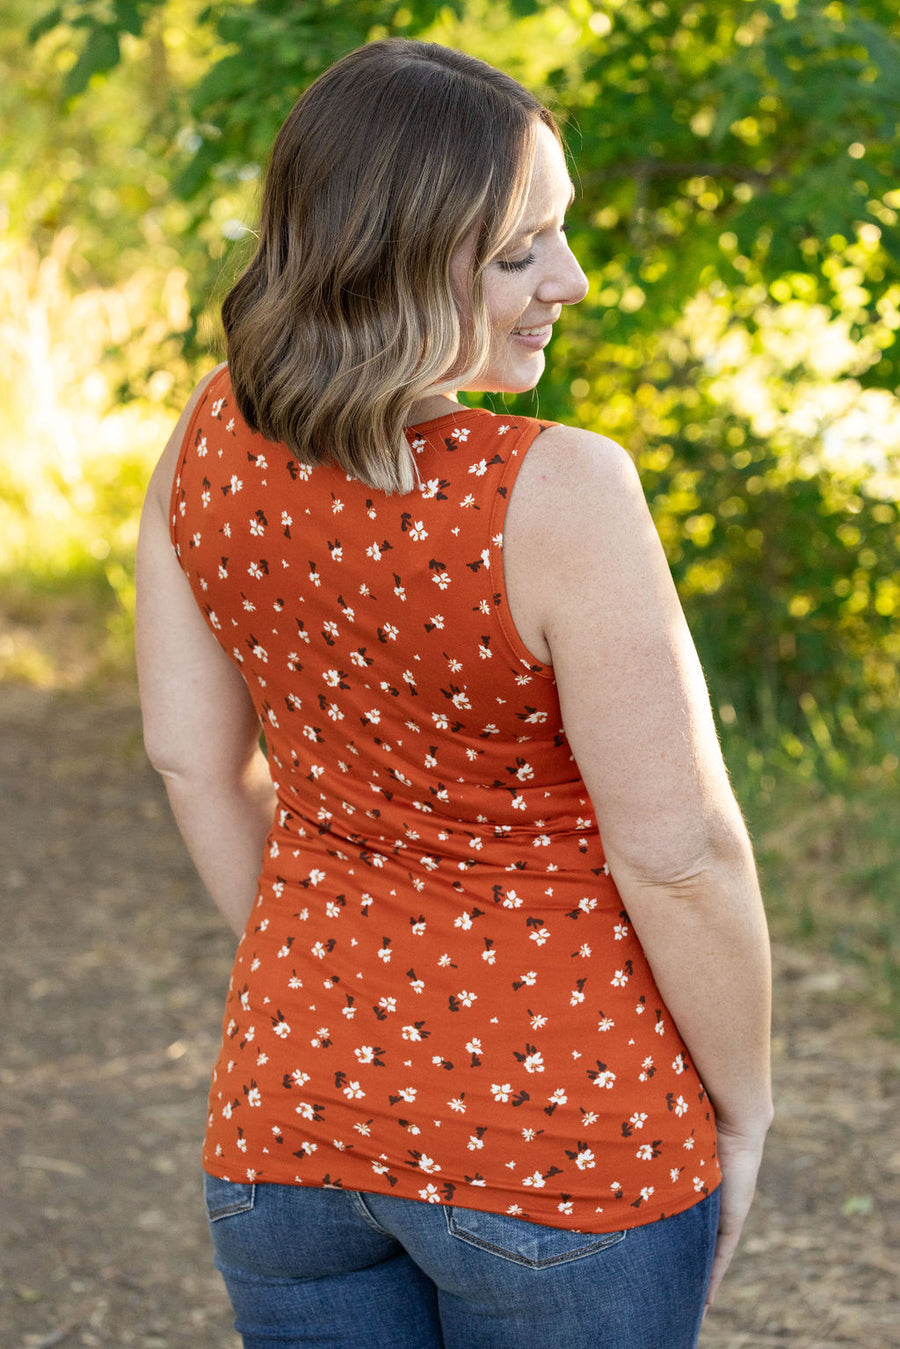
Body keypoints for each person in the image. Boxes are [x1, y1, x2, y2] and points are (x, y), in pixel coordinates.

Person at [135, 38, 772, 1349]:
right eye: (519, 251)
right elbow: (683, 852)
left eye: (562, 235)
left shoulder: (206, 435)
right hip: (562, 1144)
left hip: (290, 1110)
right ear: (393, 253)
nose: (572, 282)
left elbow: (192, 763)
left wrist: (343, 986)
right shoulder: (562, 492)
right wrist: (746, 1103)